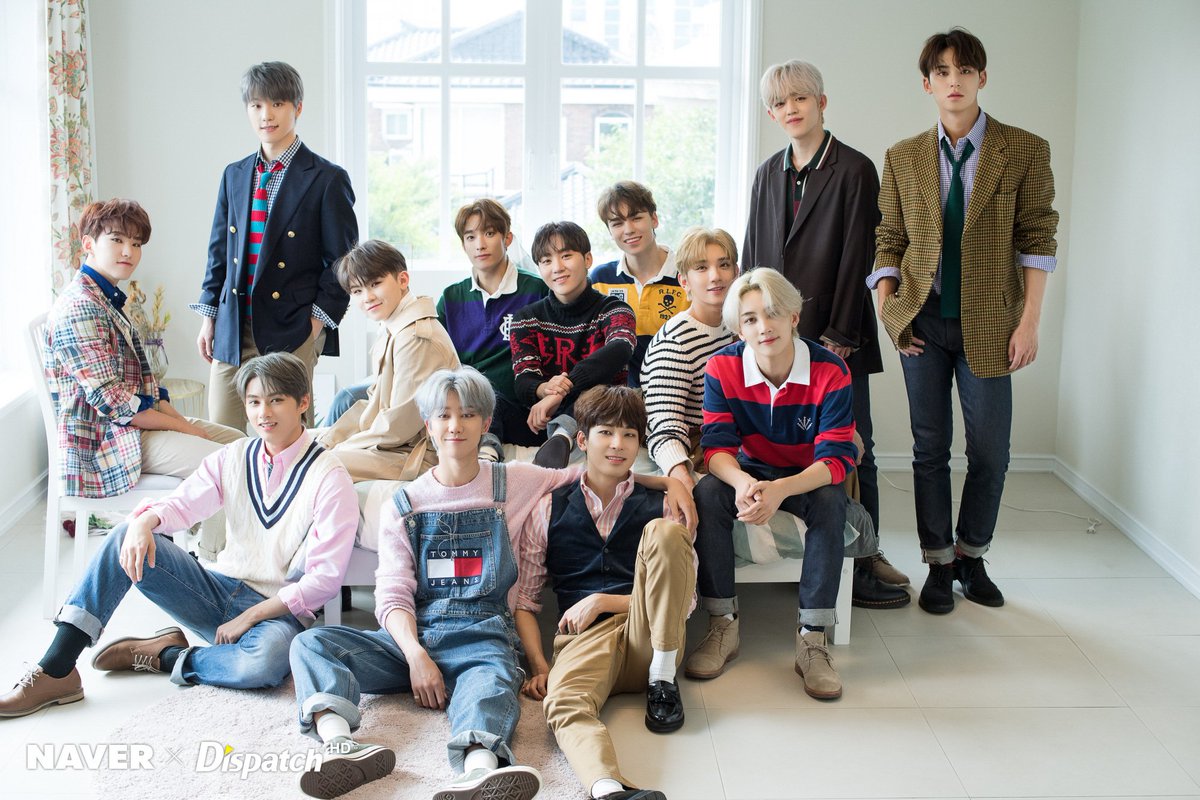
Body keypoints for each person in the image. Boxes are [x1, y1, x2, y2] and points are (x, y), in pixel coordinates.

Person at [289, 368, 693, 799]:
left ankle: (479, 770)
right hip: (417, 634)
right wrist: (415, 656)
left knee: (492, 687)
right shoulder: (404, 504)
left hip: (482, 638)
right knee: (311, 644)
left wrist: (668, 481)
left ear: (485, 423)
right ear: (428, 425)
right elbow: (393, 594)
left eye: (467, 415)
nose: (455, 425)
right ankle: (339, 744)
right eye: (443, 415)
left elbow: (592, 474)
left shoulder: (513, 480)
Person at [0, 353, 358, 719]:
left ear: (303, 402)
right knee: (127, 534)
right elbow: (182, 504)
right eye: (254, 402)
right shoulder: (233, 456)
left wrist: (250, 616)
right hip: (217, 590)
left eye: (276, 400)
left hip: (275, 613)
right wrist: (145, 521)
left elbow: (324, 580)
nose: (263, 413)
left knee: (264, 664)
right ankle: (57, 667)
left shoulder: (329, 477)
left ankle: (166, 655)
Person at [869, 28, 1059, 615]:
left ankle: (972, 557)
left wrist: (1029, 323)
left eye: (965, 71)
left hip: (992, 324)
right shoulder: (903, 156)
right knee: (929, 450)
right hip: (922, 322)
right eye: (943, 72)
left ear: (982, 78)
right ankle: (938, 563)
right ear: (927, 84)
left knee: (991, 452)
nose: (954, 81)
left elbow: (1037, 238)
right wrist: (889, 309)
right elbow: (890, 237)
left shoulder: (1023, 149)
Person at [684, 269, 906, 699]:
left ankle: (812, 638)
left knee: (830, 501)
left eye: (772, 314)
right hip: (751, 468)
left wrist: (782, 490)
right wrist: (743, 482)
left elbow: (837, 459)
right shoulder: (722, 367)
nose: (763, 327)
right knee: (708, 491)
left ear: (793, 316)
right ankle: (723, 624)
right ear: (739, 329)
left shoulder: (830, 369)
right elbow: (716, 449)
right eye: (750, 319)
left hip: (807, 476)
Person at [743, 60, 906, 589]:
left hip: (838, 336)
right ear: (771, 113)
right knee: (785, 444)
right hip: (775, 338)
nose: (790, 109)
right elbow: (752, 257)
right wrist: (749, 325)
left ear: (821, 103)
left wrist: (839, 337)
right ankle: (803, 548)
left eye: (800, 98)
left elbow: (860, 257)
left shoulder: (854, 169)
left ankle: (868, 554)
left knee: (856, 446)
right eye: (779, 103)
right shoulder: (767, 173)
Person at [517, 385, 696, 800]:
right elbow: (525, 601)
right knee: (562, 704)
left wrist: (602, 602)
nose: (618, 444)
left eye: (629, 435)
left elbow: (684, 601)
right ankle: (609, 790)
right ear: (582, 440)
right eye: (606, 432)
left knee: (666, 533)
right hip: (583, 641)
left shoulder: (664, 503)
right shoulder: (548, 506)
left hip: (652, 637)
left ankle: (663, 680)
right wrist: (540, 665)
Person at [43, 198, 243, 536]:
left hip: (129, 427)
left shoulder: (106, 298)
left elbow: (145, 390)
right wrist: (185, 429)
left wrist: (184, 425)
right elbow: (115, 404)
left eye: (136, 244)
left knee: (239, 443)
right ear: (88, 244)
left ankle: (212, 544)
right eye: (117, 240)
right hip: (104, 440)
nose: (128, 252)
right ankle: (214, 556)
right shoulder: (80, 307)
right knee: (227, 464)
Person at [194, 60, 357, 433]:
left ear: (297, 107)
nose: (266, 115)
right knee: (222, 434)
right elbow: (219, 253)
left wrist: (313, 327)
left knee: (289, 436)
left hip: (290, 325)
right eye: (256, 105)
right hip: (234, 322)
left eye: (277, 104)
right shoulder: (235, 174)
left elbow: (343, 264)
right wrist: (209, 317)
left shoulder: (326, 178)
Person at [317, 239, 459, 481]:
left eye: (375, 284)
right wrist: (328, 440)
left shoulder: (415, 337)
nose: (367, 297)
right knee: (306, 446)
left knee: (319, 464)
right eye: (357, 291)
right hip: (396, 446)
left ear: (403, 280)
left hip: (420, 454)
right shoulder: (393, 326)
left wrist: (340, 447)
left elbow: (398, 427)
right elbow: (374, 405)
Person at [509, 221, 636, 468]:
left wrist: (563, 390)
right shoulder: (526, 317)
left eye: (566, 256)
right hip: (541, 419)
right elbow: (523, 380)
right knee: (487, 395)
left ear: (588, 259)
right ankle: (486, 455)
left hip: (599, 418)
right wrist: (545, 390)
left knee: (601, 391)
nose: (557, 268)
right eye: (546, 261)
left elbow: (621, 348)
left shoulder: (615, 309)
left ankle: (563, 436)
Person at [437, 198, 549, 460]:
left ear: (507, 238)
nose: (480, 244)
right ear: (463, 245)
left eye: (489, 233)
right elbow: (436, 359)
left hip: (522, 412)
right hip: (465, 407)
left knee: (487, 393)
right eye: (470, 237)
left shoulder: (537, 290)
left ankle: (487, 454)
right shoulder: (451, 297)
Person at [640, 227, 738, 490]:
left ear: (736, 273)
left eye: (724, 265)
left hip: (732, 433)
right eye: (702, 268)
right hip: (698, 443)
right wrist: (680, 476)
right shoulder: (676, 341)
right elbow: (663, 424)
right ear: (684, 282)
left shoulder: (736, 325)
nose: (715, 276)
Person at [588, 181, 688, 387]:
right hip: (616, 398)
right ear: (609, 231)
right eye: (617, 223)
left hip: (678, 390)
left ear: (654, 219)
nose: (629, 229)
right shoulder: (600, 279)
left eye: (636, 218)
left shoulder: (688, 275)